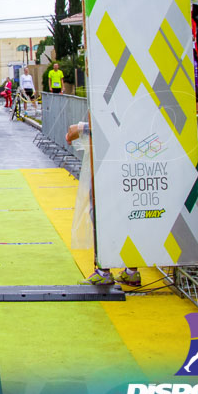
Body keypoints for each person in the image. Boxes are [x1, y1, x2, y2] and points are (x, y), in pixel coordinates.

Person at [66, 120, 140, 287]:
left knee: (102, 219)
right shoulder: (132, 116)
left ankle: (103, 272)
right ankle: (131, 271)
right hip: (129, 173)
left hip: (106, 174)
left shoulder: (105, 116)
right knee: (127, 219)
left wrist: (75, 131)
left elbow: (75, 131)